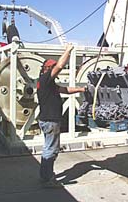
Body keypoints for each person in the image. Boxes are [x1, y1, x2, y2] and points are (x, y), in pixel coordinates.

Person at [37, 44, 85, 188]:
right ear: (47, 69)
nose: (55, 70)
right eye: (51, 68)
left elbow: (65, 89)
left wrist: (81, 89)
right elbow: (59, 66)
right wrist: (68, 51)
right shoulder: (45, 79)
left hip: (47, 120)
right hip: (50, 121)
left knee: (48, 149)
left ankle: (45, 175)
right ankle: (48, 179)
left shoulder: (48, 84)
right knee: (51, 150)